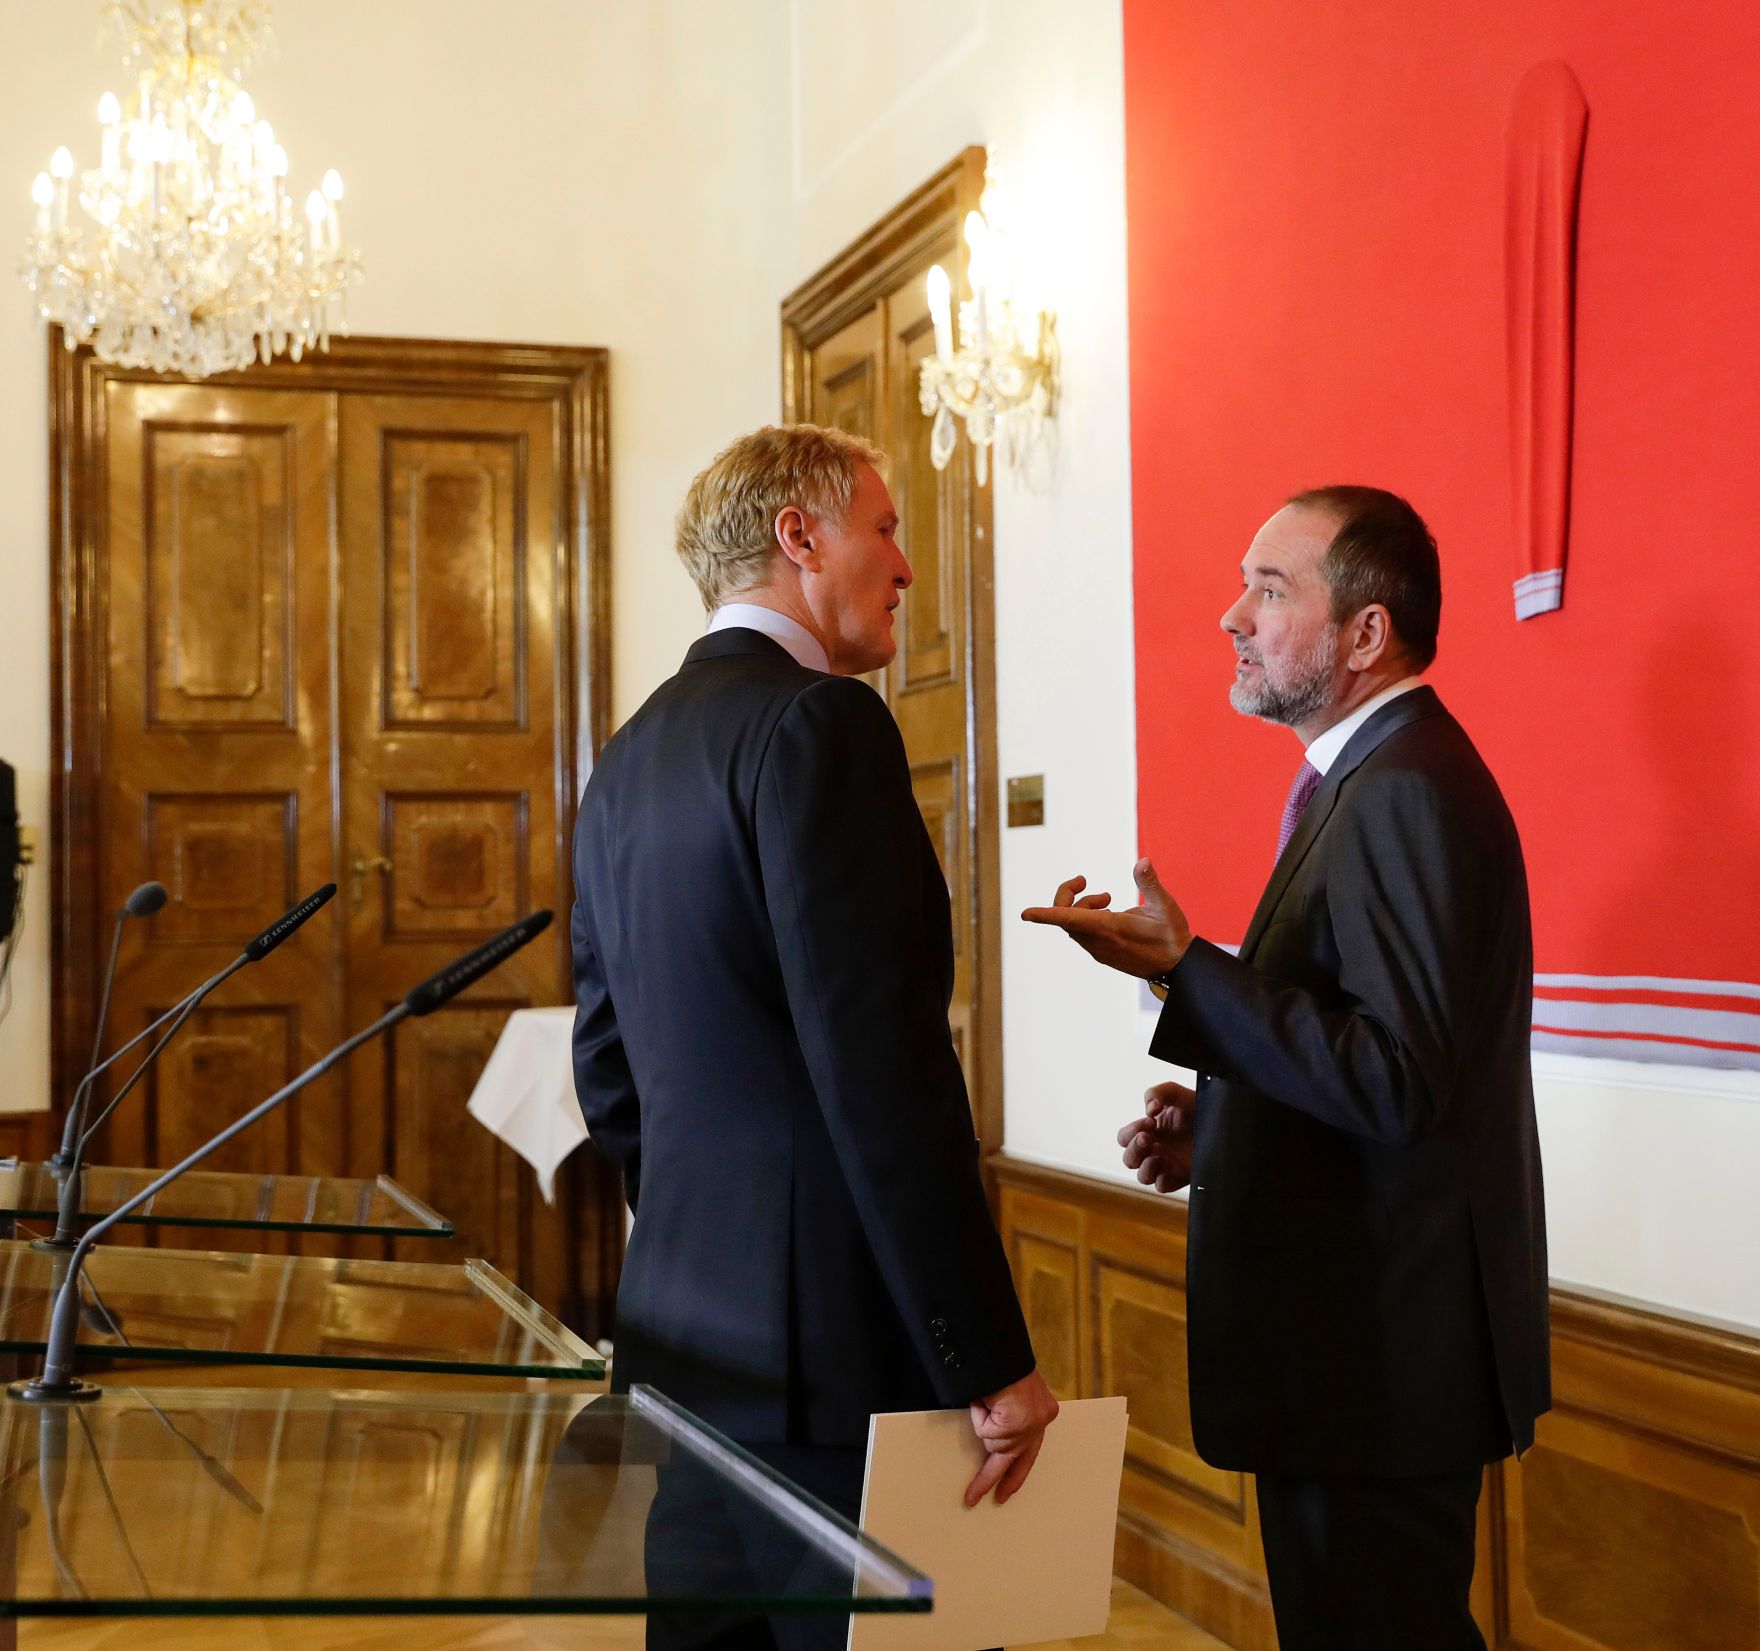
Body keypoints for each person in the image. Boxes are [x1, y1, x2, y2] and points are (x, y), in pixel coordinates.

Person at [1023, 487, 1549, 1649]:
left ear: (1364, 635)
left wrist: (1184, 973)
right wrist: (1225, 1124)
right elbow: (1375, 1067)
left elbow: (1398, 1077)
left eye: (1269, 589)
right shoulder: (1365, 778)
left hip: (1377, 1361)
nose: (1231, 616)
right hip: (1353, 1354)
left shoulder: (1404, 787)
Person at [571, 423, 1057, 1529]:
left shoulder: (627, 753)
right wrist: (984, 1354)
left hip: (685, 1348)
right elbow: (882, 1069)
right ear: (798, 536)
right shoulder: (821, 724)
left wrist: (722, 1244)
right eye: (883, 529)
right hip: (838, 1364)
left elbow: (608, 1073)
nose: (904, 566)